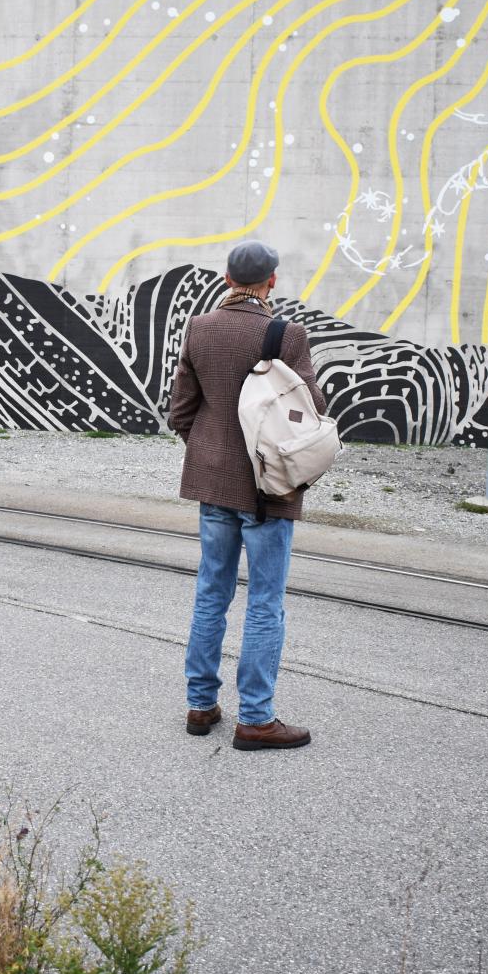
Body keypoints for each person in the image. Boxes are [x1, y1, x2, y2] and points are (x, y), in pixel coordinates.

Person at [167, 240, 325, 751]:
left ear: (228, 278)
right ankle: (255, 718)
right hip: (269, 487)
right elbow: (308, 411)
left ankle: (200, 705)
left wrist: (211, 449)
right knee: (264, 602)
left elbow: (180, 411)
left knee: (211, 592)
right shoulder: (286, 335)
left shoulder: (200, 328)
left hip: (214, 484)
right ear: (272, 281)